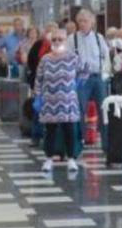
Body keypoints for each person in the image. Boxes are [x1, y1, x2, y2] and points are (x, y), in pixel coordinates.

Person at [35, 29, 89, 173]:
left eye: (60, 39)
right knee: (50, 131)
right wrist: (38, 96)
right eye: (54, 39)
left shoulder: (72, 57)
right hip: (49, 101)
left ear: (66, 41)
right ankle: (48, 160)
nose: (57, 42)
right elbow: (38, 79)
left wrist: (78, 83)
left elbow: (85, 70)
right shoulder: (45, 59)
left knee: (69, 130)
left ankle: (71, 159)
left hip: (68, 101)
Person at [67, 9, 110, 143]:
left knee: (103, 110)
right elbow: (68, 60)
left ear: (92, 22)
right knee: (79, 109)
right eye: (80, 21)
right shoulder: (72, 39)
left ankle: (106, 143)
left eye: (85, 21)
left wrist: (105, 76)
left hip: (98, 78)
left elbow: (106, 58)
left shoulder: (99, 38)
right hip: (81, 79)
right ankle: (80, 140)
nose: (82, 24)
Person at [27, 22, 58, 91]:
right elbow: (30, 61)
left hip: (55, 78)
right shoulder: (38, 44)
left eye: (52, 32)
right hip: (38, 77)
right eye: (48, 31)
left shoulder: (60, 44)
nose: (50, 34)